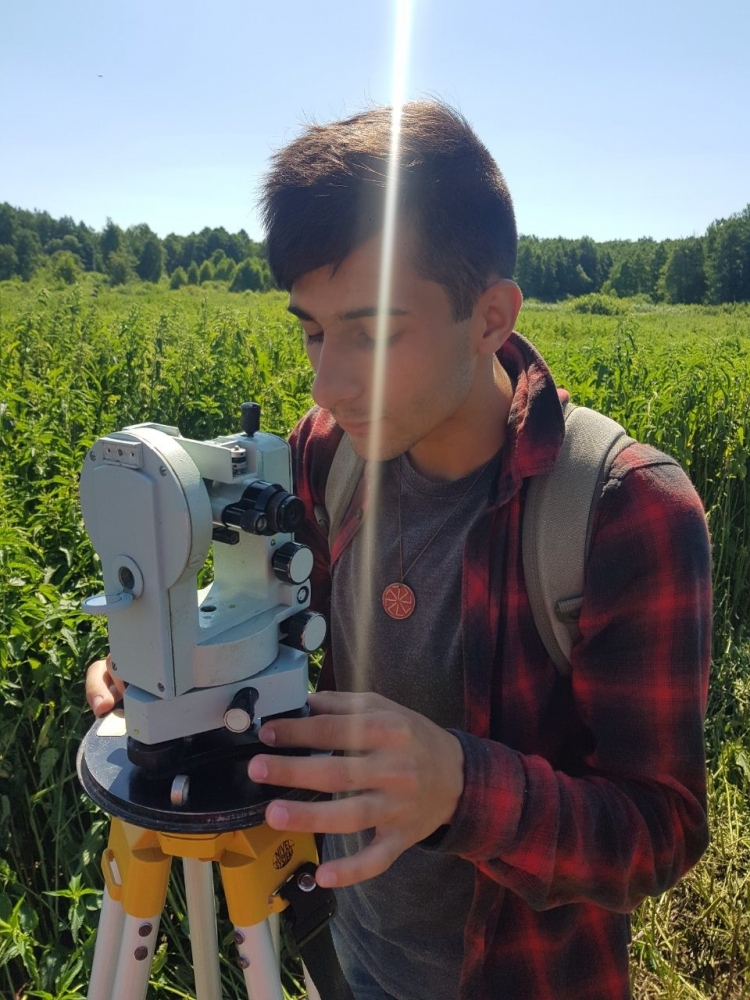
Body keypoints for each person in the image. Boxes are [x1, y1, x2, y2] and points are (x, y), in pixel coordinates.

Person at [86, 101, 712, 999]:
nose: (327, 382)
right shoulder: (324, 455)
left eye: (375, 333)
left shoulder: (623, 509)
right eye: (313, 329)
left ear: (490, 316)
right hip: (348, 950)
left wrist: (461, 787)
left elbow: (660, 832)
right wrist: (171, 665)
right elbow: (279, 624)